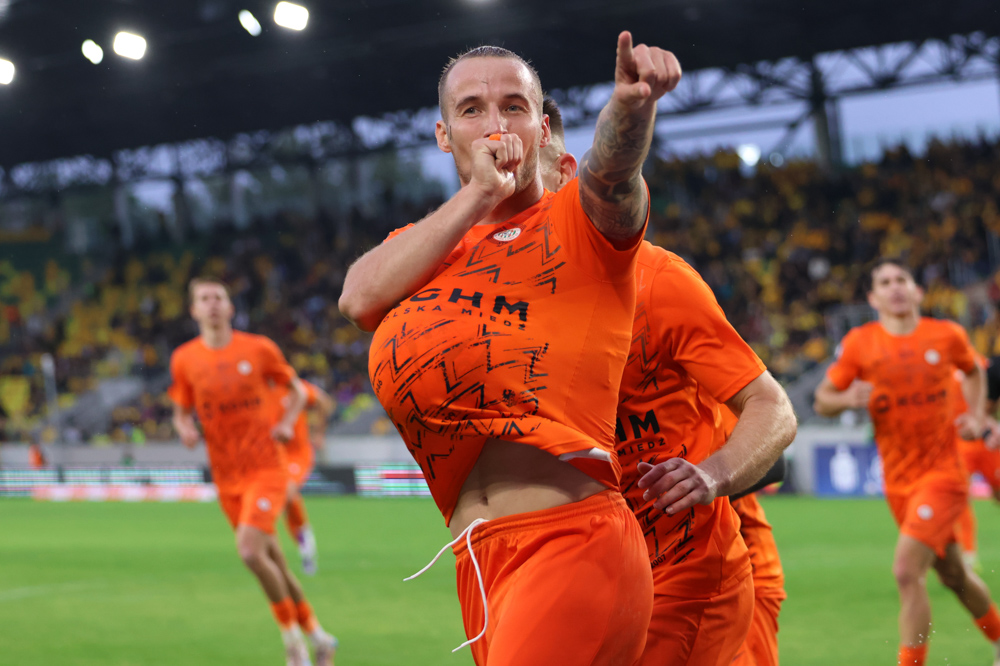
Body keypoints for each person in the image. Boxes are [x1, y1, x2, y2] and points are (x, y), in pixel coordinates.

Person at [340, 32, 681, 665]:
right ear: (445, 136)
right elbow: (358, 299)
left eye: (514, 107)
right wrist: (477, 195)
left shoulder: (579, 224)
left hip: (571, 543)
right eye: (471, 110)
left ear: (542, 127)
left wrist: (631, 108)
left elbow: (614, 175)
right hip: (481, 562)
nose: (495, 124)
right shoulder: (427, 245)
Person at [540, 95, 795, 666]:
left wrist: (715, 472)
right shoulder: (501, 307)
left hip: (691, 565)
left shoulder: (659, 283)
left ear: (565, 173)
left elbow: (772, 413)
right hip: (588, 570)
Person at [814, 259, 1000, 666]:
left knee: (905, 570)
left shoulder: (946, 335)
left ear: (918, 291)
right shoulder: (861, 343)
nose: (895, 287)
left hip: (944, 475)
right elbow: (822, 400)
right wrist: (846, 399)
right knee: (954, 576)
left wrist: (977, 416)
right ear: (873, 297)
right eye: (885, 282)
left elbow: (974, 370)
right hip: (898, 482)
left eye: (902, 280)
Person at [170, 278, 337, 666]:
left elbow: (299, 392)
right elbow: (180, 409)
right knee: (272, 562)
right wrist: (185, 428)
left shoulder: (259, 349)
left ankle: (293, 644)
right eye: (204, 299)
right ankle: (319, 637)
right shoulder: (184, 359)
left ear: (231, 308)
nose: (212, 304)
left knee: (249, 551)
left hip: (266, 468)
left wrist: (289, 423)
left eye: (219, 297)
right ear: (194, 310)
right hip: (227, 477)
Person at [280, 379, 336, 575]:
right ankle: (303, 545)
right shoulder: (258, 389)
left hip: (297, 454)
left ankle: (305, 545)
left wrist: (319, 432)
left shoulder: (294, 386)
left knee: (287, 492)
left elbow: (324, 402)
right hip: (272, 455)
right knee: (284, 500)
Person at [954, 355, 1000, 568]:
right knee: (961, 499)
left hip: (989, 444)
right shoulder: (943, 367)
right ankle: (968, 554)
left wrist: (989, 425)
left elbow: (991, 403)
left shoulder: (985, 365)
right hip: (961, 445)